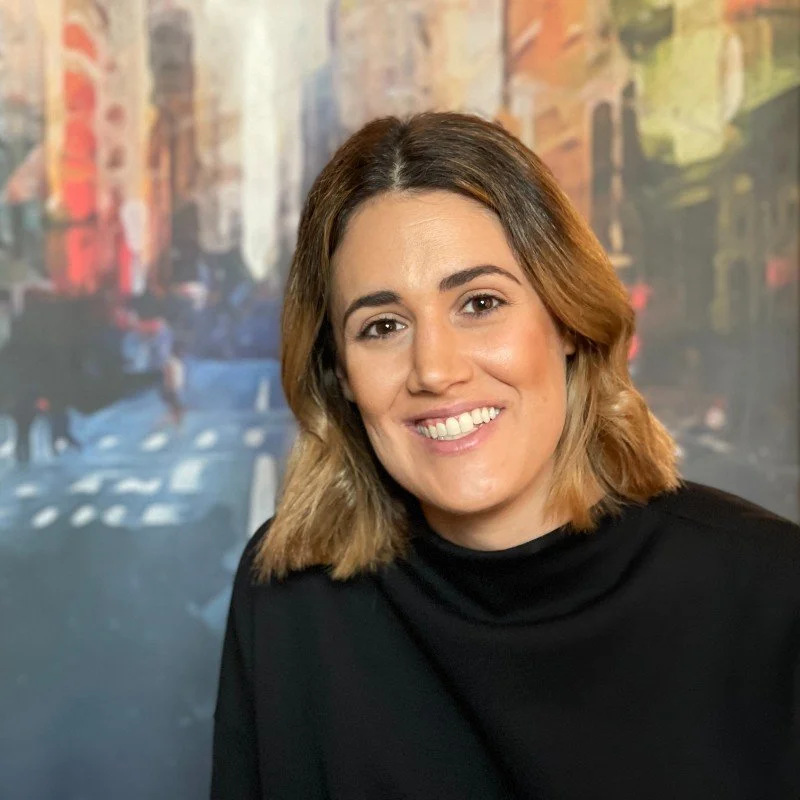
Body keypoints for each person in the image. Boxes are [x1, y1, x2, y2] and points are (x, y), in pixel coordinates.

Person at [210, 112, 800, 799]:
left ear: (567, 319)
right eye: (383, 326)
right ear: (339, 372)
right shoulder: (290, 598)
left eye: (480, 302)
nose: (435, 368)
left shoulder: (773, 594)